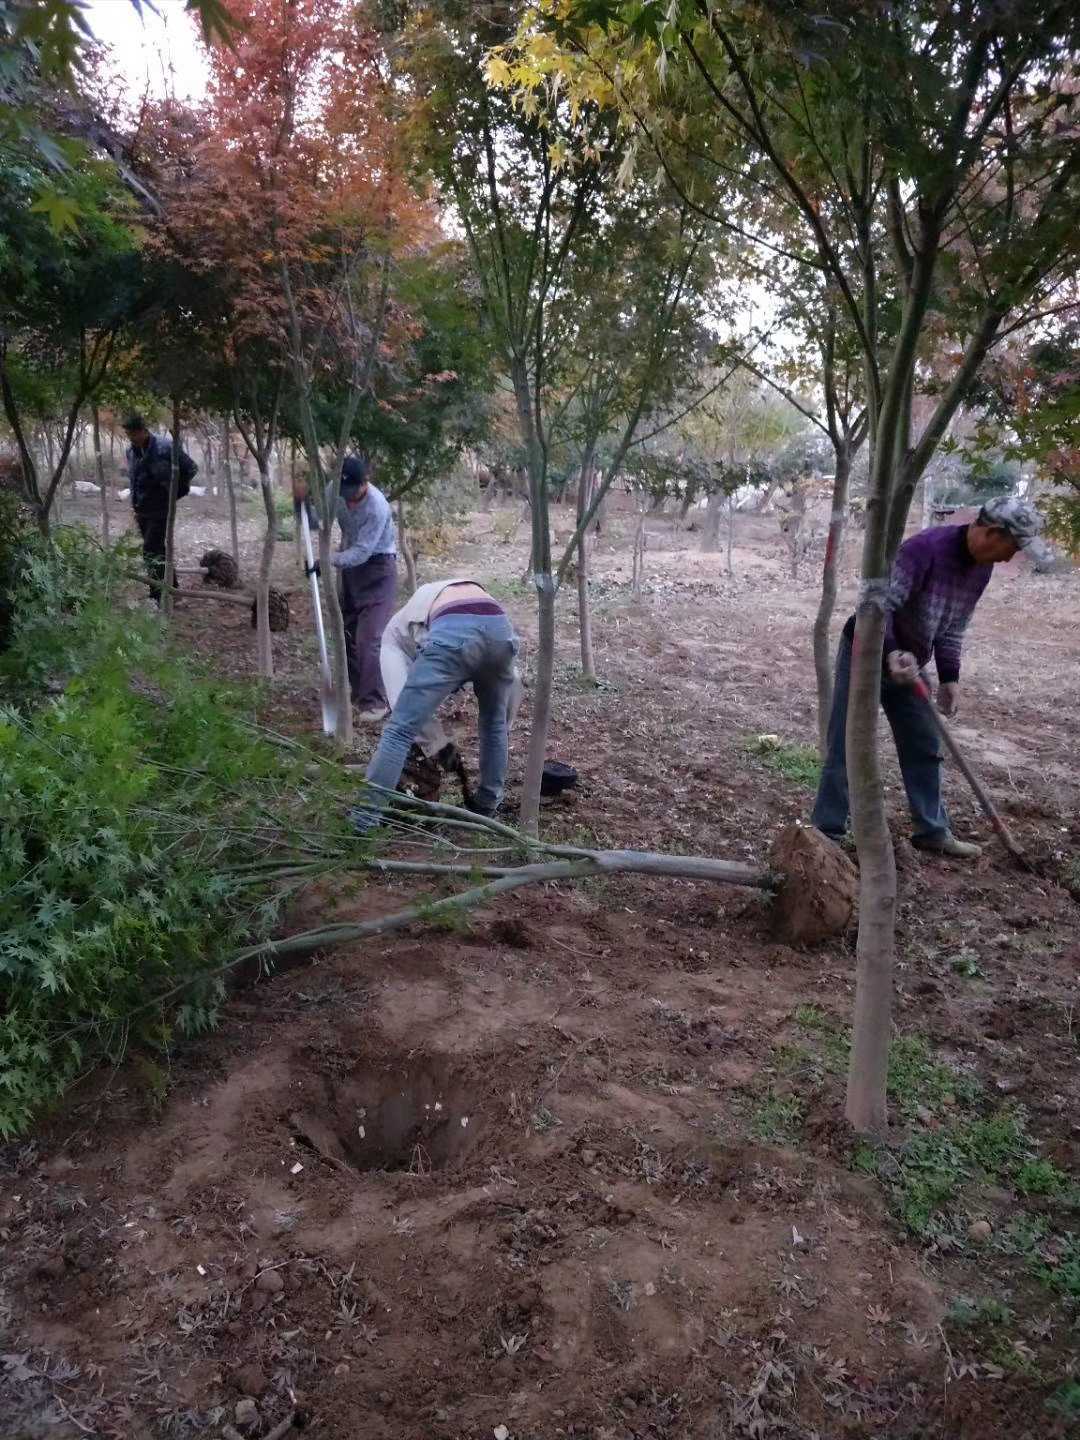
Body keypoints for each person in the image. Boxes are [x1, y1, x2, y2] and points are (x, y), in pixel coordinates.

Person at [812, 496, 1044, 859]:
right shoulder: (925, 550)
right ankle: (827, 833)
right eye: (1012, 547)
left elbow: (953, 627)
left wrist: (950, 677)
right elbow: (878, 607)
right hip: (867, 651)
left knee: (925, 742)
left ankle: (932, 831)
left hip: (911, 663)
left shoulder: (980, 569)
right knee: (846, 741)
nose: (1009, 557)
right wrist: (890, 652)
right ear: (993, 533)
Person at [351, 580, 521, 833]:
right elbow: (513, 685)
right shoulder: (414, 622)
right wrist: (441, 743)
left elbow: (403, 717)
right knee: (494, 722)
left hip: (452, 629)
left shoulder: (393, 638)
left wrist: (438, 745)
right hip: (499, 626)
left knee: (397, 732)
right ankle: (487, 807)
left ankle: (363, 821)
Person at [332, 455, 397, 720]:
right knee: (347, 630)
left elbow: (361, 551)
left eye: (352, 493)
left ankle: (375, 703)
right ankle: (359, 693)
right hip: (351, 568)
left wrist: (328, 560)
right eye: (342, 493)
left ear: (364, 483)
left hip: (378, 568)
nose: (346, 499)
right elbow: (321, 514)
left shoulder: (376, 507)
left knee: (369, 638)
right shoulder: (334, 491)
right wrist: (306, 512)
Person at [123, 413, 197, 604]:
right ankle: (171, 591)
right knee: (157, 552)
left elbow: (191, 468)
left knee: (150, 549)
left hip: (161, 509)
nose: (131, 438)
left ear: (143, 431)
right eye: (128, 434)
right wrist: (134, 505)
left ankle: (157, 594)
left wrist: (174, 494)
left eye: (133, 433)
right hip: (142, 510)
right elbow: (134, 480)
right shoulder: (131, 452)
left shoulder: (165, 448)